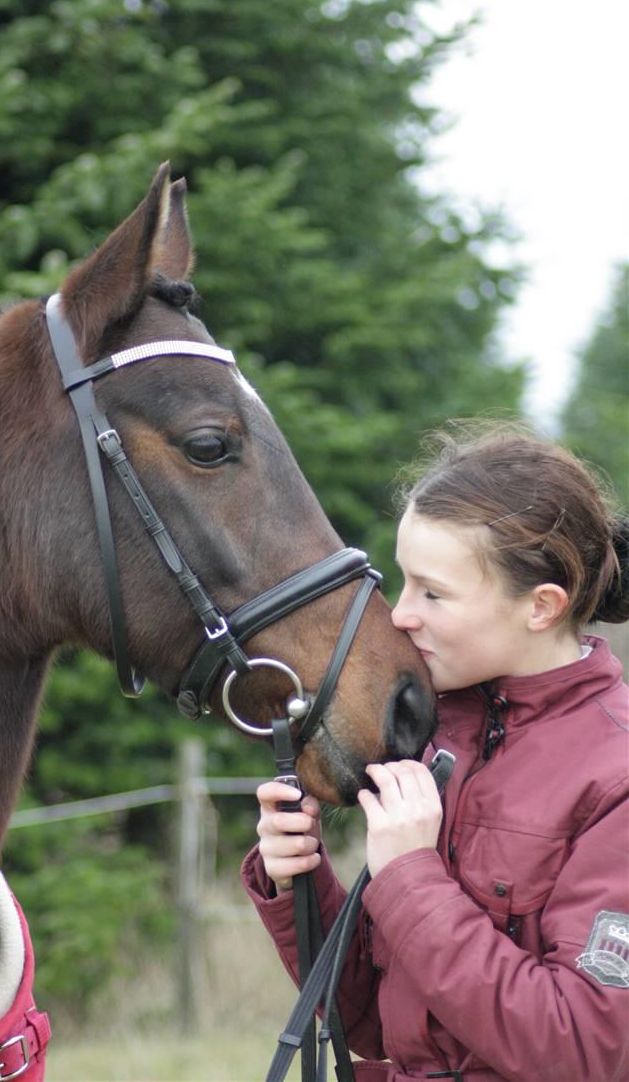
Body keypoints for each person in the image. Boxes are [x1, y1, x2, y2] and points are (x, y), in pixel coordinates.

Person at [242, 422, 629, 1082]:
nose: (399, 614)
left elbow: (586, 1049)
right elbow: (370, 1023)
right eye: (403, 582)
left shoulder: (613, 777)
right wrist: (299, 881)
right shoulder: (429, 736)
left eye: (433, 592)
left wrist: (412, 876)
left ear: (540, 606)